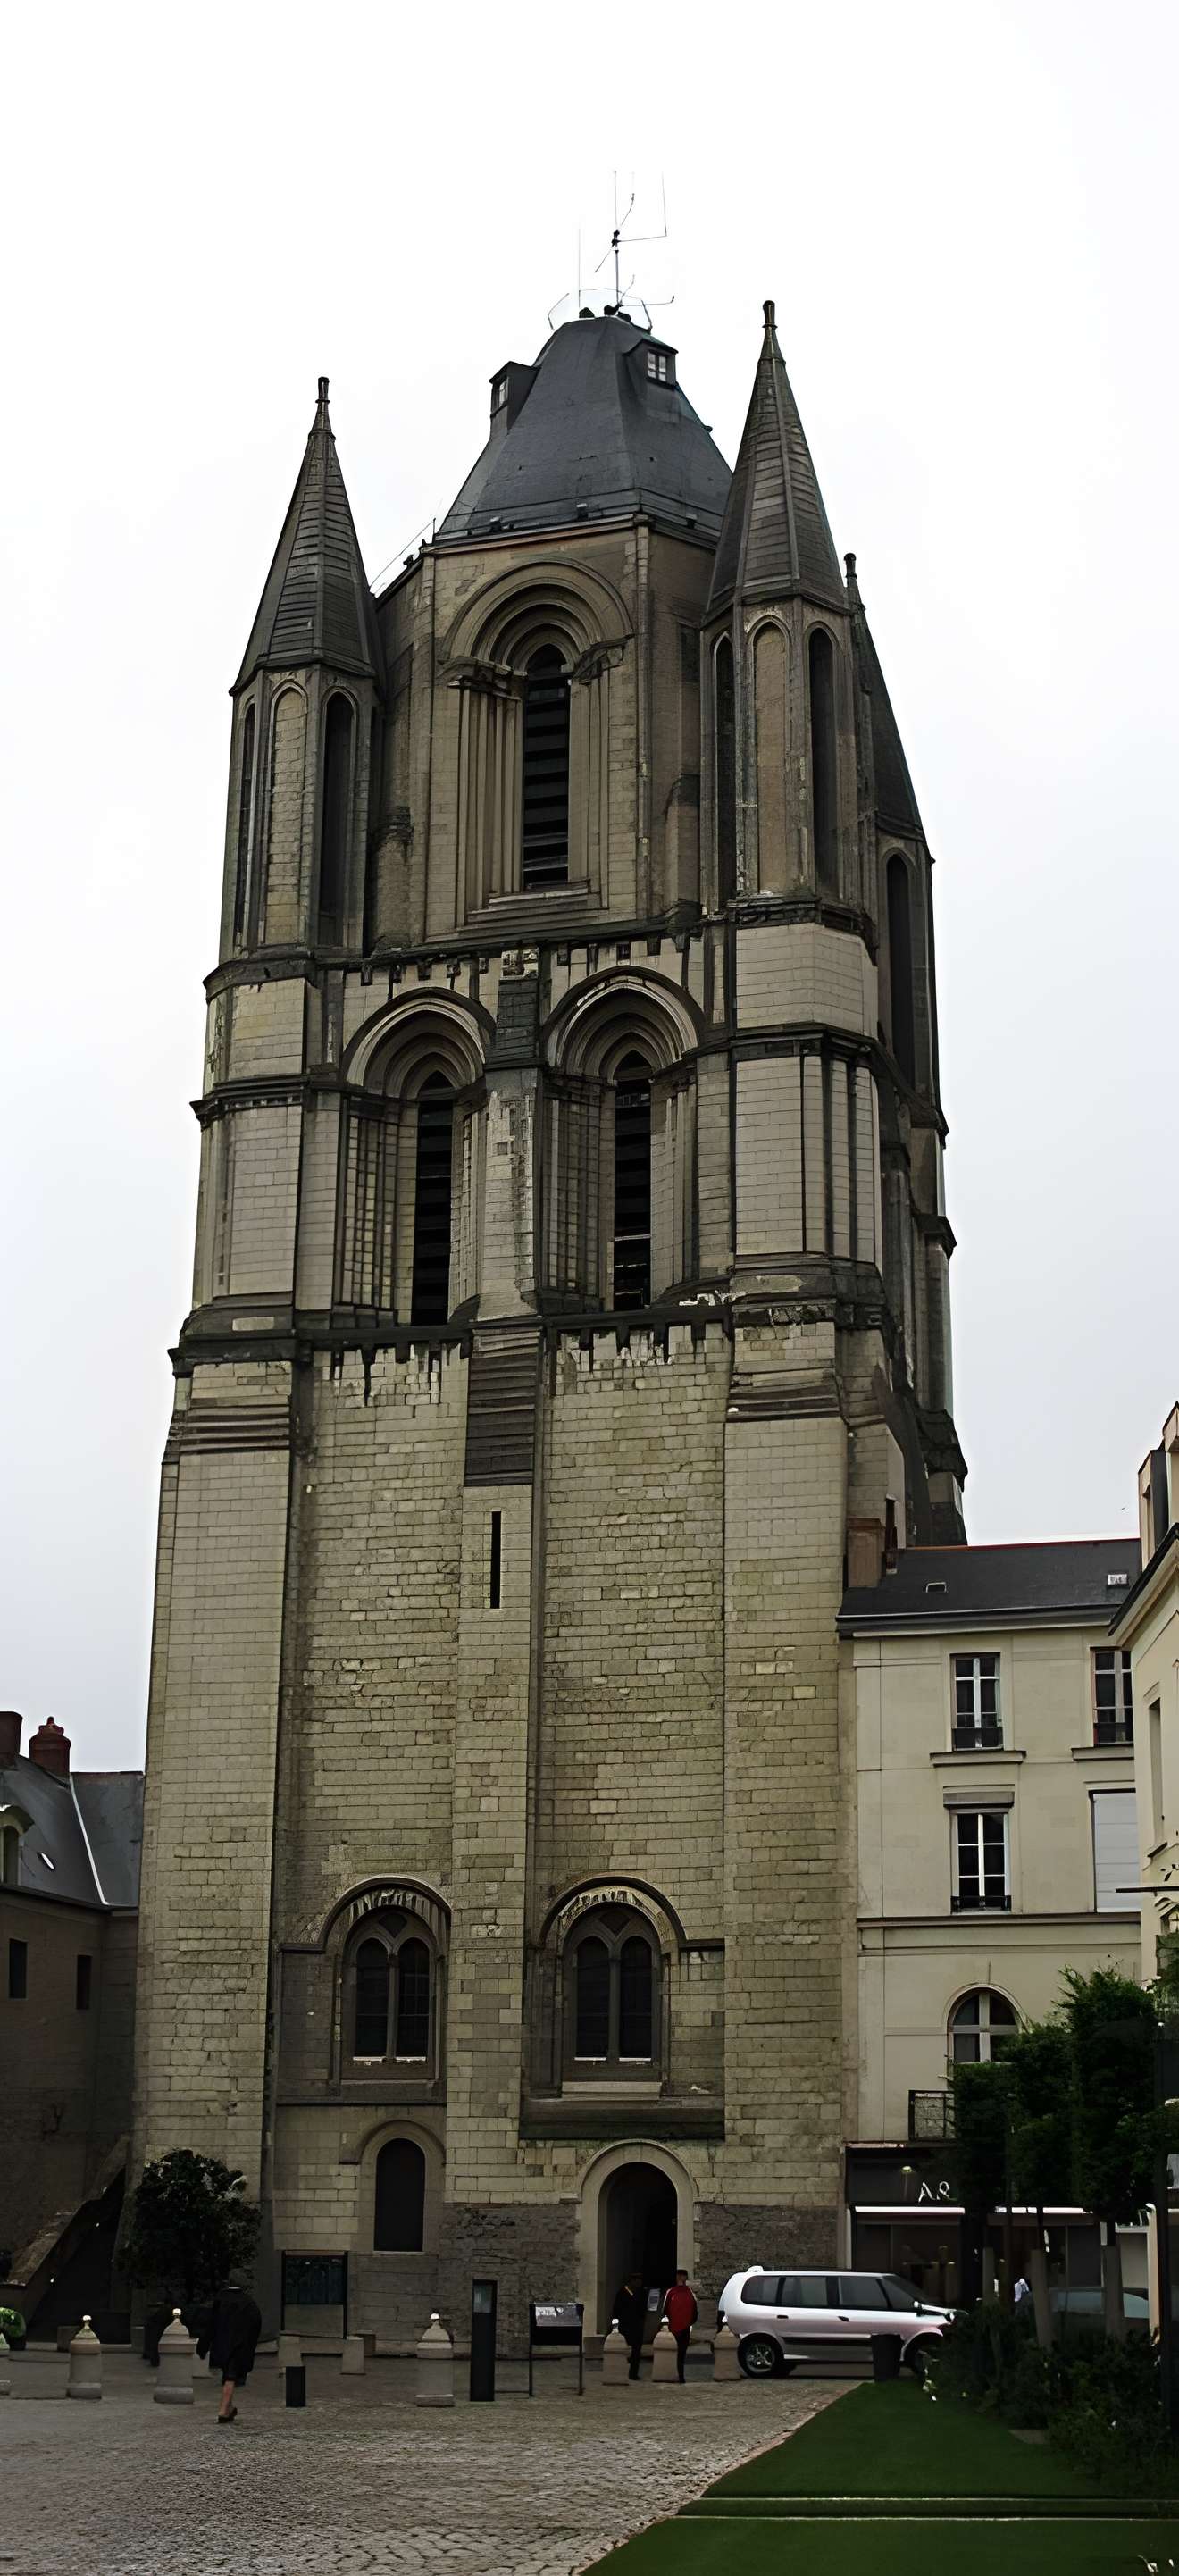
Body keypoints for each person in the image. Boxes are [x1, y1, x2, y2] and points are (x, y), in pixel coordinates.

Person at [197, 2279, 262, 2424]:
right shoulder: (248, 2302)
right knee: (231, 2377)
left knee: (228, 2375)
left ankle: (228, 2407)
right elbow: (256, 2323)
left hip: (222, 2344)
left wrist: (204, 2345)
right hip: (239, 2345)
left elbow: (210, 2324)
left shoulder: (220, 2300)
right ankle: (223, 2409)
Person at [663, 2269, 698, 2383]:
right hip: (679, 2328)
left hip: (681, 2328)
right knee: (680, 2353)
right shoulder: (674, 2292)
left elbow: (665, 2311)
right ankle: (679, 2375)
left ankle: (679, 2375)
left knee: (680, 2353)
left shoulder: (686, 2292)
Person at [615, 2271, 647, 2381]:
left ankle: (633, 2374)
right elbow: (616, 2310)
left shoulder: (640, 2293)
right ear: (633, 2281)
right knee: (623, 2349)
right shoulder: (622, 2293)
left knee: (636, 2351)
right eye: (638, 2281)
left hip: (637, 2326)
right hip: (625, 2325)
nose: (639, 2284)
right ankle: (620, 2371)